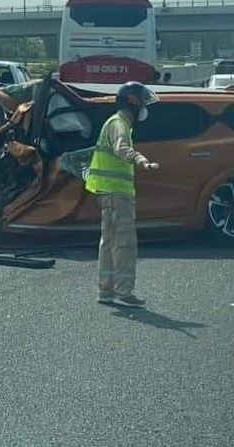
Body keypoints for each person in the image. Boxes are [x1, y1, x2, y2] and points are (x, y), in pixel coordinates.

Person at [85, 82, 160, 308]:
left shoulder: (114, 122)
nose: (145, 108)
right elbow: (121, 148)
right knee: (125, 244)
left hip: (106, 192)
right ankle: (124, 292)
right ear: (133, 102)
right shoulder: (119, 125)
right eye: (143, 102)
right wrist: (142, 161)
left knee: (108, 243)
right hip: (118, 194)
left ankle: (106, 290)